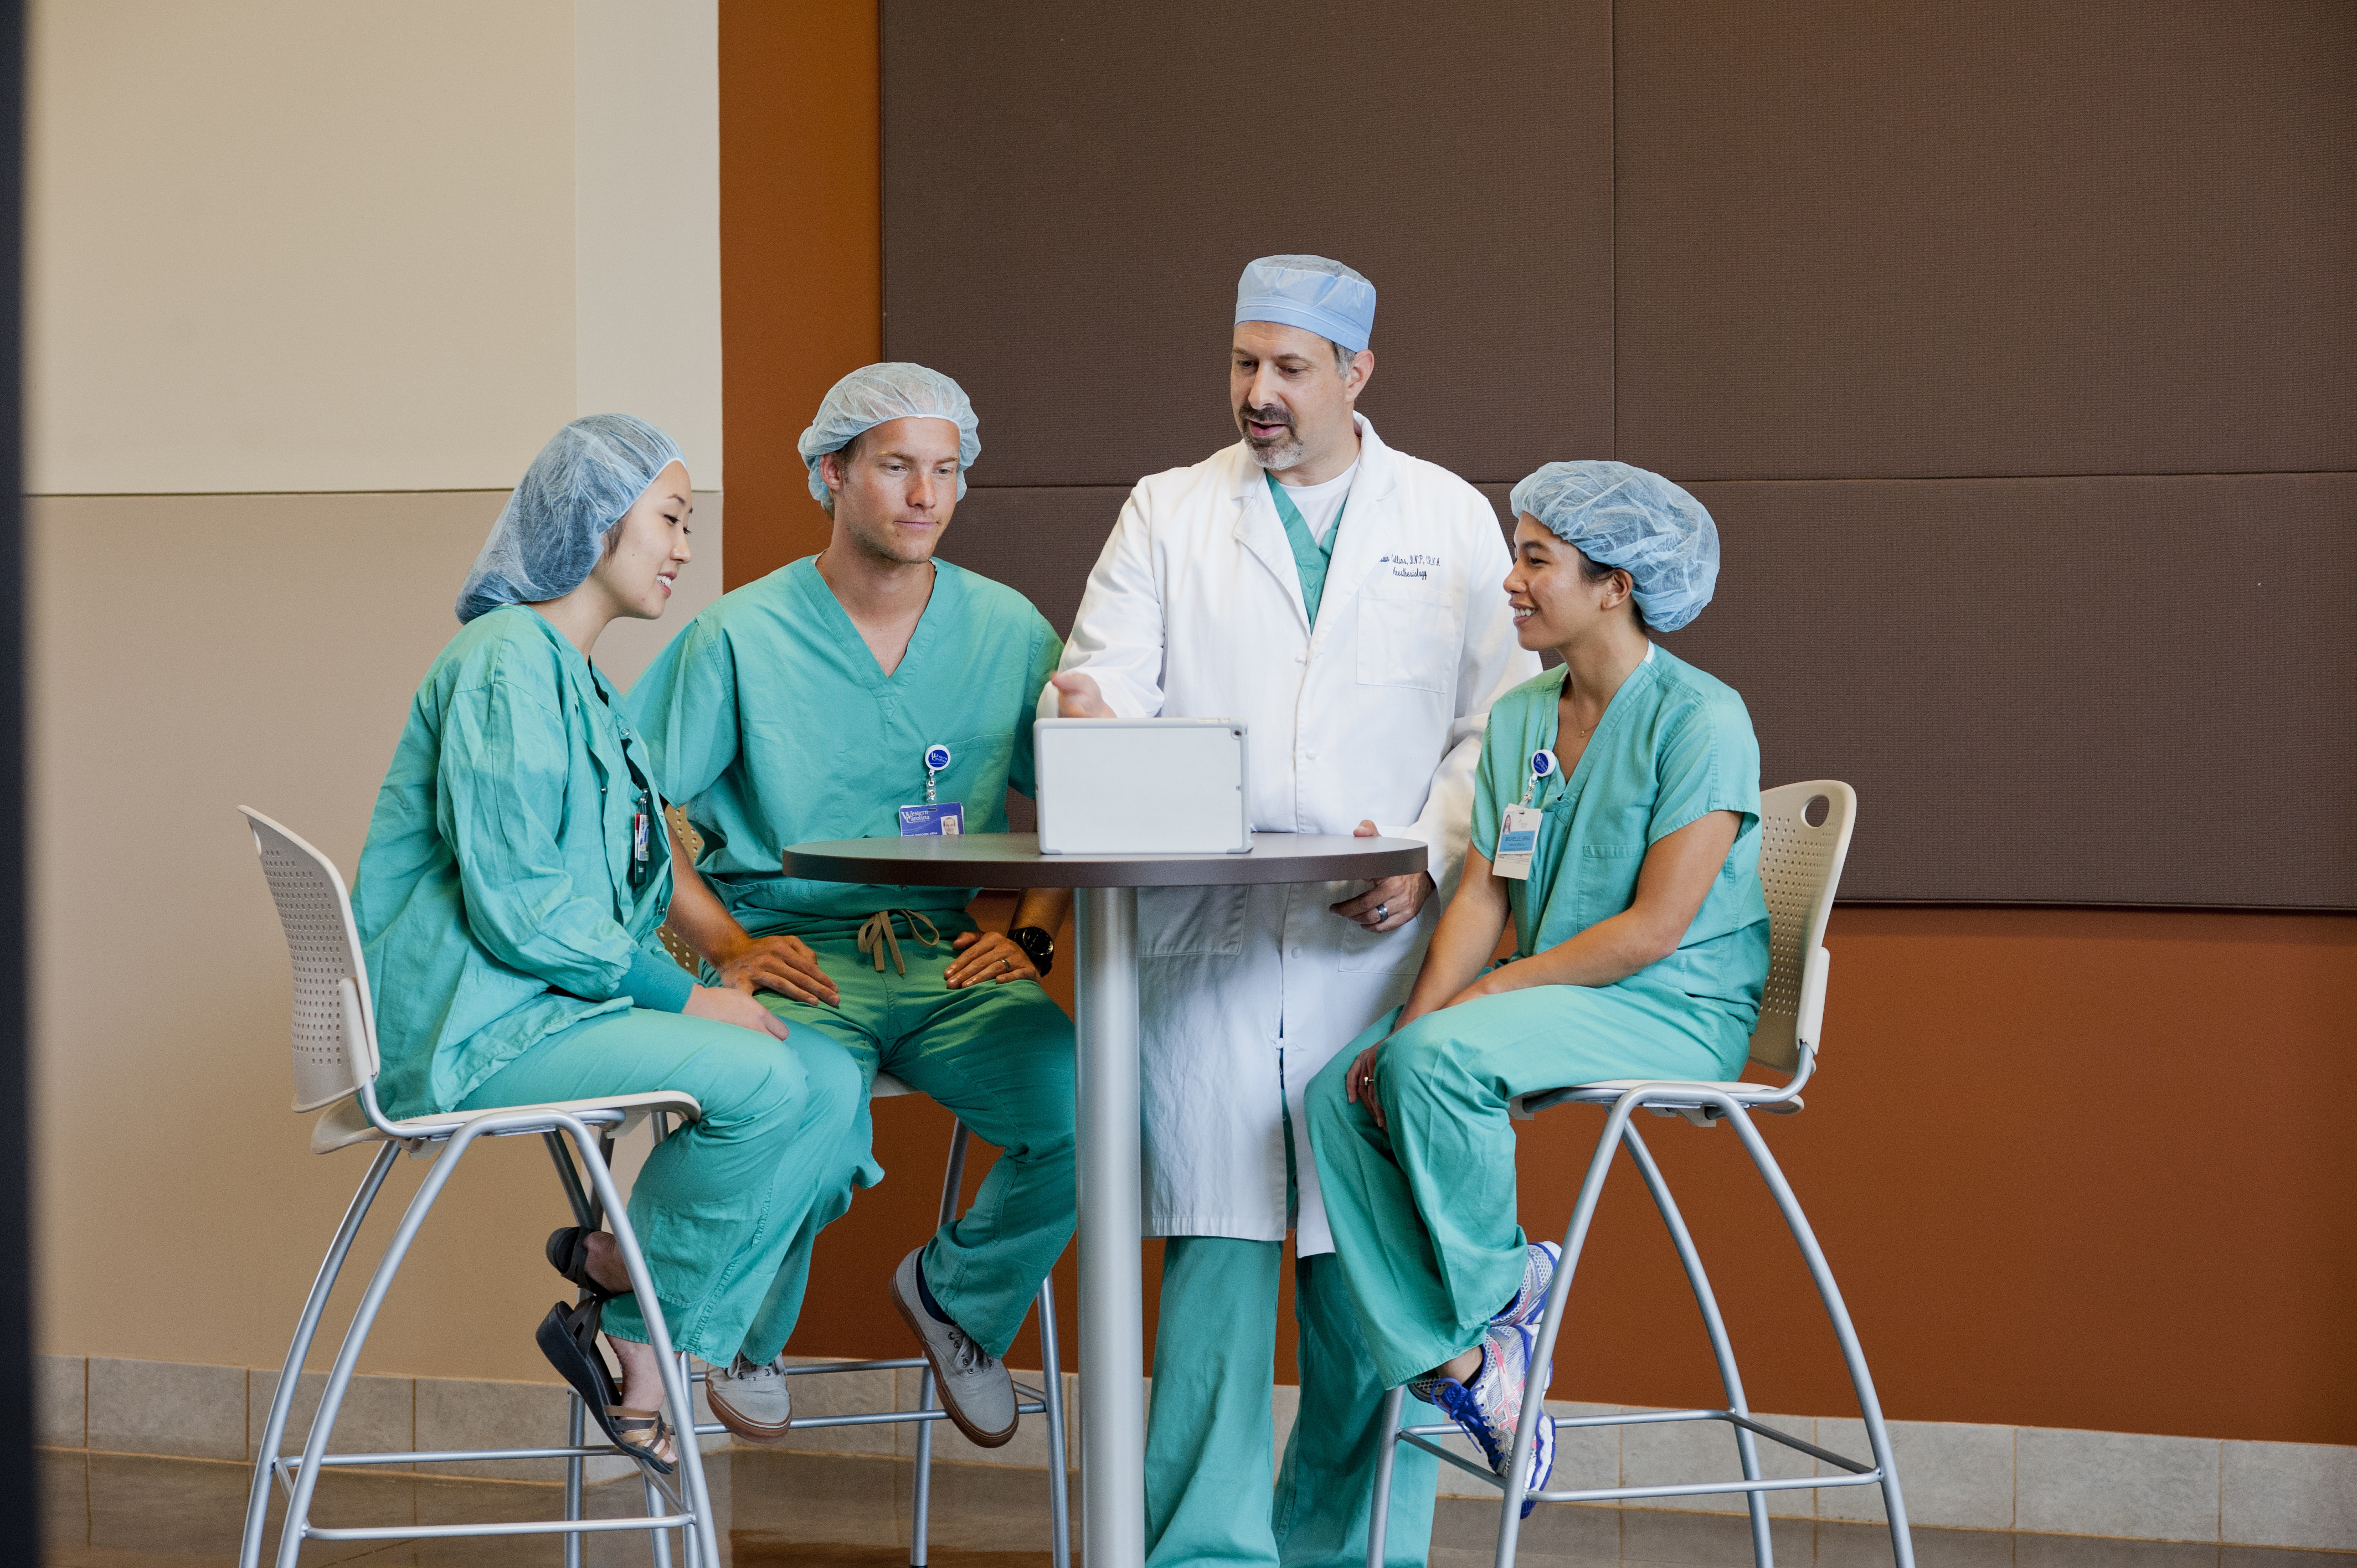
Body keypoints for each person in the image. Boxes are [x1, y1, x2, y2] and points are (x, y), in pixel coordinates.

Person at [1048, 256, 1538, 1568]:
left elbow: (1497, 728)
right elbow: (1102, 678)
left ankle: (1355, 1551)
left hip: (1372, 956)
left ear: (1357, 374)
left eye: (1288, 369)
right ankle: (1202, 1554)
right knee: (1211, 1274)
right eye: (1241, 364)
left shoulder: (1446, 516)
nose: (1256, 395)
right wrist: (1089, 706)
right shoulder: (1167, 510)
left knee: (1362, 1285)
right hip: (1209, 947)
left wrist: (1431, 858)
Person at [353, 414, 864, 1471]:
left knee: (827, 1078)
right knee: (769, 1083)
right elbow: (523, 908)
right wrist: (685, 1002)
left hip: (550, 1007)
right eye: (671, 520)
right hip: (482, 1028)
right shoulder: (504, 666)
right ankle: (638, 1338)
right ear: (596, 522)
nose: (685, 547)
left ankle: (622, 1266)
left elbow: (620, 888)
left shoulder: (579, 681)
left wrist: (708, 972)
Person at [627, 363, 1077, 1450]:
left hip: (938, 955)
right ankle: (746, 1333)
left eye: (946, 470)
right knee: (808, 1106)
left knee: (1089, 1105)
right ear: (832, 473)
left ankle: (958, 1301)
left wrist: (1027, 934)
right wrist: (729, 946)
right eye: (894, 467)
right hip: (794, 952)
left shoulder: (1007, 630)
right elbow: (632, 817)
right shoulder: (740, 637)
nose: (925, 494)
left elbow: (1083, 800)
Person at [1305, 460, 1770, 1508]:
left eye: (1534, 559)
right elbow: (1483, 899)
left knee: (1436, 1055)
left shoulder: (1703, 719)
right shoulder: (1524, 719)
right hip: (1552, 999)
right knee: (1345, 1089)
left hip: (1675, 1012)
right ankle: (1474, 1362)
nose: (1509, 580)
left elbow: (1654, 933)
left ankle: (1501, 1293)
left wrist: (1477, 1008)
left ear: (1618, 584)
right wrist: (1416, 1021)